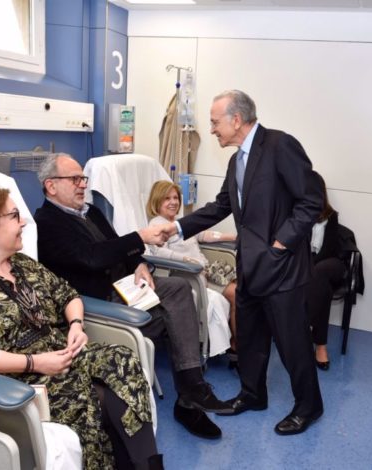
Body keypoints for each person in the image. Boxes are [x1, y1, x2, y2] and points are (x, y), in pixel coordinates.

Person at [0, 186, 162, 470]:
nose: (24, 222)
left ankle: (148, 465)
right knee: (91, 397)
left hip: (62, 351)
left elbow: (68, 295)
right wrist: (35, 362)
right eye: (15, 216)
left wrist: (76, 325)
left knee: (123, 359)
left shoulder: (23, 265)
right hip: (19, 376)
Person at [34, 154, 232, 441]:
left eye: (83, 179)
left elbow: (118, 246)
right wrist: (140, 236)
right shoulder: (47, 223)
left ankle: (190, 392)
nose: (82, 185)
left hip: (124, 290)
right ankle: (190, 398)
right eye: (75, 179)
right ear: (51, 186)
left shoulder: (91, 212)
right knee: (172, 313)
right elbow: (92, 258)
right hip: (97, 306)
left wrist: (139, 263)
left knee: (178, 289)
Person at [161, 89, 325, 435]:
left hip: (281, 268)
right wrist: (176, 227)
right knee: (250, 338)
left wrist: (281, 244)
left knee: (292, 343)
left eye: (214, 122)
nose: (212, 129)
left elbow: (311, 201)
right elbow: (221, 206)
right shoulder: (237, 161)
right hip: (250, 267)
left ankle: (309, 406)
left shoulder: (280, 146)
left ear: (236, 119)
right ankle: (252, 395)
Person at [146, 179, 237, 358]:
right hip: (188, 276)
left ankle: (239, 340)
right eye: (167, 198)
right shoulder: (156, 225)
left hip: (203, 271)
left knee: (241, 287)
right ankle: (237, 346)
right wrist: (187, 260)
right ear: (157, 201)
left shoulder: (179, 222)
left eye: (175, 197)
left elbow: (204, 234)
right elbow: (159, 253)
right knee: (236, 294)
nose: (173, 202)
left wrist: (234, 236)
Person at [306, 174, 347, 370]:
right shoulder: (298, 214)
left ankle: (303, 328)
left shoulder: (331, 215)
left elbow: (330, 249)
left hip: (331, 263)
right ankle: (320, 346)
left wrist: (310, 266)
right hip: (311, 269)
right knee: (323, 290)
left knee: (319, 273)